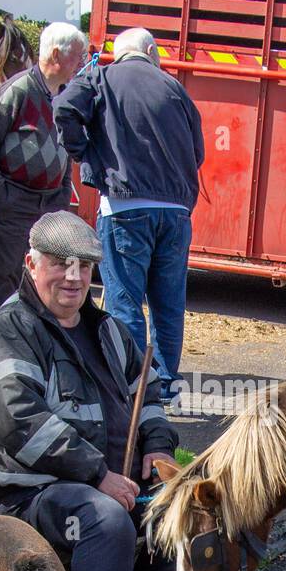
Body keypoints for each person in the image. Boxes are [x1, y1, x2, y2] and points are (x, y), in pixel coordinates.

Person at [0, 211, 188, 571]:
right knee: (105, 519)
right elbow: (18, 422)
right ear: (31, 263)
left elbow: (147, 393)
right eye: (59, 263)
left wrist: (156, 448)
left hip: (104, 480)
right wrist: (98, 474)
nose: (73, 276)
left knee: (171, 498)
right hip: (29, 492)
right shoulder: (10, 331)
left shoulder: (107, 329)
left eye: (84, 266)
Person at [55, 27, 205, 388]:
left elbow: (63, 107)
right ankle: (166, 382)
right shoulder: (175, 88)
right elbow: (197, 150)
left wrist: (85, 153)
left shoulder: (101, 77)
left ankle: (134, 383)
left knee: (125, 299)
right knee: (168, 303)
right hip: (175, 211)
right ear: (151, 51)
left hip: (125, 207)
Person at [0, 22, 88, 319]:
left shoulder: (62, 94)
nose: (82, 63)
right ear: (57, 54)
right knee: (7, 284)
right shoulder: (18, 90)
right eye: (78, 56)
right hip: (16, 205)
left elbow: (65, 149)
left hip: (48, 207)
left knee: (44, 285)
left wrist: (62, 193)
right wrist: (3, 192)